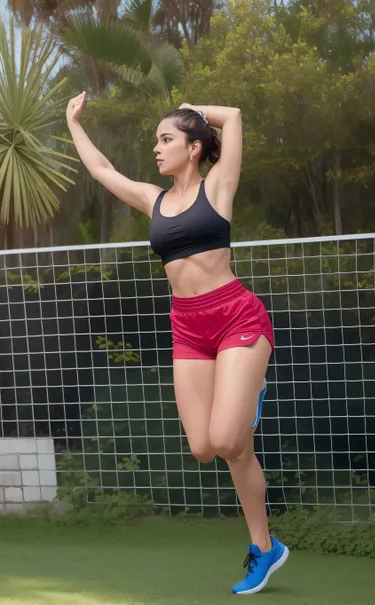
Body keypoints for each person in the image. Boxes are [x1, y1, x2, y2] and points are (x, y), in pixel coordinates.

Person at [66, 92, 289, 595]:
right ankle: (271, 550)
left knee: (233, 440)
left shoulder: (220, 186)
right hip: (187, 327)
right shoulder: (154, 199)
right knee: (206, 447)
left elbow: (233, 115)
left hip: (236, 317)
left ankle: (260, 544)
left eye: (166, 139)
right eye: (156, 141)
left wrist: (195, 109)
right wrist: (74, 124)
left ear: (193, 148)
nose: (157, 149)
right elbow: (102, 170)